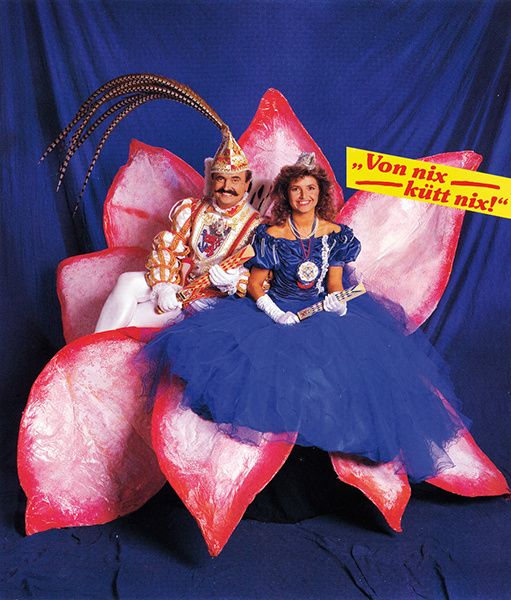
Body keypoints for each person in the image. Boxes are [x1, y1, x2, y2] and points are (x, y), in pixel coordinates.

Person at [138, 152, 472, 484]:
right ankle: (283, 471)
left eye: (310, 188)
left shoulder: (336, 235)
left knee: (341, 373)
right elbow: (255, 284)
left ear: (320, 193)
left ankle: (324, 468)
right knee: (265, 377)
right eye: (296, 189)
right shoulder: (271, 234)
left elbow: (335, 284)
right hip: (275, 308)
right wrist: (274, 312)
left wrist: (338, 304)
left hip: (319, 311)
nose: (304, 195)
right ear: (286, 194)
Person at [95, 127, 261, 331]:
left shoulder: (257, 226)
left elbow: (262, 279)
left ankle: (96, 344)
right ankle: (91, 345)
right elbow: (169, 249)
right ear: (212, 180)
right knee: (126, 280)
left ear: (247, 183)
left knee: (127, 321)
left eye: (235, 180)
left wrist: (233, 281)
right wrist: (164, 286)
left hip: (211, 300)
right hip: (181, 283)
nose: (227, 187)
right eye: (221, 179)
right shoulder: (193, 209)